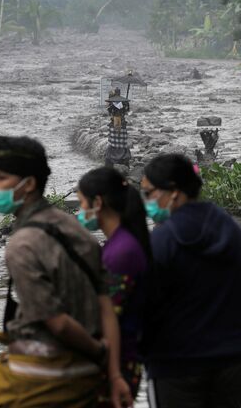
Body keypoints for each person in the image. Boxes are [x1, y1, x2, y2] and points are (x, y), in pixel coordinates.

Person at [0, 136, 132, 408]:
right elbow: (105, 305)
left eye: (0, 178)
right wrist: (113, 373)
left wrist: (97, 350)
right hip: (87, 380)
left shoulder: (22, 246)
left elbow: (59, 323)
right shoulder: (75, 228)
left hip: (40, 384)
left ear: (28, 184)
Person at [140, 154, 241, 408]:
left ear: (173, 192)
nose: (147, 202)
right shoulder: (230, 230)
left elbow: (144, 306)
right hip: (232, 362)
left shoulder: (162, 241)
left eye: (149, 193)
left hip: (176, 366)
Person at [77, 167, 151, 405]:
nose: (80, 212)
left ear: (97, 202)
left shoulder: (121, 252)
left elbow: (109, 313)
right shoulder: (120, 244)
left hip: (118, 361)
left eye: (81, 204)